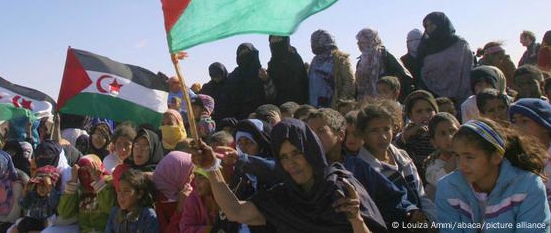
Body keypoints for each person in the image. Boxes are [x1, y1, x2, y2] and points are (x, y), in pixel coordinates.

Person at [192, 118, 387, 232]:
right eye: (283, 157)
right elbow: (236, 212)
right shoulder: (282, 198)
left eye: (297, 153)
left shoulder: (341, 189)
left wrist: (356, 220)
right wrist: (212, 168)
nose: (290, 163)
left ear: (311, 152)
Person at [304, 108, 426, 229]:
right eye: (309, 132)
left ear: (340, 135)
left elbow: (390, 197)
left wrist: (411, 212)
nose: (313, 137)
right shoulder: (306, 170)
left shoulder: (358, 167)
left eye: (320, 131)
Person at [435, 119, 551, 231]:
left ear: (496, 157)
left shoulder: (528, 186)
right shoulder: (447, 188)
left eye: (469, 157)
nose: (461, 165)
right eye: (457, 156)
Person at [356, 104, 436, 220]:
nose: (383, 137)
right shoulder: (362, 169)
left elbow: (421, 195)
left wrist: (432, 221)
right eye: (374, 131)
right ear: (362, 133)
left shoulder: (402, 158)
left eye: (386, 129)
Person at [414, 12, 474, 103]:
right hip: (433, 95)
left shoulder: (460, 44)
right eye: (426, 26)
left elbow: (466, 69)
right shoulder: (424, 47)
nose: (429, 28)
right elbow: (420, 71)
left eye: (432, 24)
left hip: (462, 95)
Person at [49, 155, 116, 233]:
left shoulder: (110, 183)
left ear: (98, 169)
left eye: (89, 171)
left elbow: (112, 210)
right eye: (81, 172)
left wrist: (98, 182)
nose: (85, 175)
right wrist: (73, 182)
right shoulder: (80, 188)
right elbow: (64, 213)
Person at [509, 98, 551, 205]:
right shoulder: (511, 159)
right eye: (514, 121)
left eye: (524, 121)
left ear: (544, 126)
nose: (516, 127)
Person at [355, 28, 412, 101]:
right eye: (358, 42)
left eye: (362, 42)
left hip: (386, 102)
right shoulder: (361, 62)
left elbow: (405, 77)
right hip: (365, 103)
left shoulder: (385, 56)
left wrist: (396, 98)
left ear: (371, 41)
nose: (359, 45)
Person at [224, 43, 276, 120]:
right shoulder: (233, 76)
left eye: (246, 52)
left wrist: (267, 80)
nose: (244, 55)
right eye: (241, 53)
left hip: (259, 116)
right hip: (238, 118)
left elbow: (271, 96)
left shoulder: (262, 73)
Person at [395, 91, 438, 179]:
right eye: (419, 111)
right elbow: (397, 145)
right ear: (410, 116)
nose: (425, 115)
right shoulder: (408, 133)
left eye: (429, 110)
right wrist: (409, 134)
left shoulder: (440, 131)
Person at [308, 30, 355, 108]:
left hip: (333, 104)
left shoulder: (340, 58)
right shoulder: (315, 60)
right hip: (314, 104)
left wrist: (341, 102)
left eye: (317, 40)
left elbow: (349, 81)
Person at [105, 168, 159, 233]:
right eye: (119, 191)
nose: (121, 195)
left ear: (139, 194)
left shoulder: (148, 215)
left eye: (126, 191)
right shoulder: (115, 212)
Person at [153, 151, 195, 233]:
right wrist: (180, 208)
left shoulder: (194, 189)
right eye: (190, 173)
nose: (193, 177)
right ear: (176, 176)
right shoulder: (160, 201)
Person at [13, 166, 61, 233]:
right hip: (31, 221)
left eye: (45, 185)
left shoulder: (52, 197)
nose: (41, 188)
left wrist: (49, 187)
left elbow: (55, 203)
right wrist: (25, 191)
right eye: (39, 185)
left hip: (45, 224)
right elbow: (23, 205)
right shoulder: (33, 195)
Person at [423, 113, 459, 199]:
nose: (450, 137)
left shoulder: (471, 156)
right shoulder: (433, 167)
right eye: (442, 134)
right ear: (434, 142)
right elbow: (439, 182)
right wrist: (456, 156)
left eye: (452, 131)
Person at [267, 35, 309, 105]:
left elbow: (301, 85)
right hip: (277, 107)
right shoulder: (272, 63)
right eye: (272, 38)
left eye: (278, 38)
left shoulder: (294, 59)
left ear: (285, 40)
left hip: (296, 104)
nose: (275, 40)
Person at [180, 167, 220, 233]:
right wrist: (207, 230)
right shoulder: (193, 200)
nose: (196, 182)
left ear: (215, 178)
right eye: (195, 176)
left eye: (201, 176)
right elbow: (185, 229)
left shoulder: (227, 199)